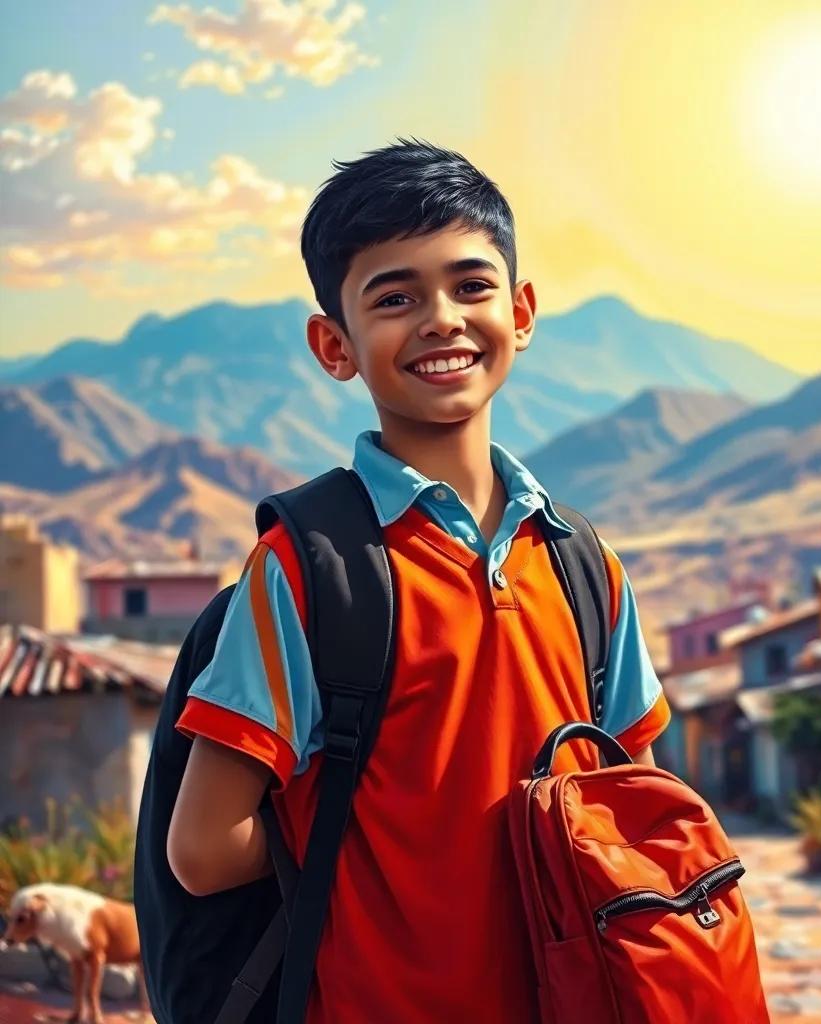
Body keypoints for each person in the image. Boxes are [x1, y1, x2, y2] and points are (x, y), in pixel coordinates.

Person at [166, 137, 671, 1022]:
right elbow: (204, 848)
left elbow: (635, 804)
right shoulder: (307, 569)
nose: (441, 318)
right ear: (335, 345)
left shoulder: (585, 566)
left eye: (470, 286)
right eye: (394, 297)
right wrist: (382, 835)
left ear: (520, 311)